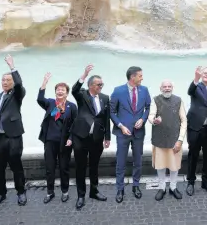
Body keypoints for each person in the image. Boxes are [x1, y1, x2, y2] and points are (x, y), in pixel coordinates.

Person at [0, 55, 27, 207]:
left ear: (12, 82)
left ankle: (21, 192)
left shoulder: (16, 95)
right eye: (3, 80)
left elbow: (20, 84)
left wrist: (12, 67)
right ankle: (0, 193)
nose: (5, 82)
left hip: (13, 136)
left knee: (16, 165)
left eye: (8, 80)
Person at [71, 64, 111, 208]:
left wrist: (107, 137)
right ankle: (81, 195)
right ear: (90, 85)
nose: (101, 86)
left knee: (94, 166)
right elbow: (74, 90)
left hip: (97, 138)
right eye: (98, 84)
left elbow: (107, 118)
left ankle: (94, 191)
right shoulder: (82, 94)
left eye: (102, 84)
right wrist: (84, 75)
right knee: (80, 167)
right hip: (80, 137)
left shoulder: (105, 98)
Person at [111, 66, 151, 203]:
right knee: (120, 162)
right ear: (132, 77)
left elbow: (148, 107)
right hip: (123, 133)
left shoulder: (144, 90)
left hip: (139, 132)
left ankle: (136, 186)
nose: (142, 78)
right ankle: (120, 189)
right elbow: (111, 112)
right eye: (140, 76)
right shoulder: (118, 91)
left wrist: (143, 119)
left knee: (138, 161)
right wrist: (121, 126)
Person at [37, 72, 76, 204]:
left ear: (67, 93)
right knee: (50, 168)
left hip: (64, 142)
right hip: (50, 141)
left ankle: (65, 191)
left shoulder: (72, 106)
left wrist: (71, 138)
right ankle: (50, 192)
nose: (60, 91)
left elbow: (75, 125)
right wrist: (44, 83)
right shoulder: (50, 103)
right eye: (58, 90)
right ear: (55, 92)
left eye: (62, 90)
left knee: (64, 168)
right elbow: (39, 99)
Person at [149, 80, 187, 201]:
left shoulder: (179, 100)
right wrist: (154, 120)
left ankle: (173, 187)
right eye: (164, 87)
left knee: (174, 166)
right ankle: (161, 187)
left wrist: (180, 140)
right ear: (160, 88)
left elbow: (184, 120)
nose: (167, 88)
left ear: (172, 88)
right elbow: (151, 115)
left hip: (174, 139)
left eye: (169, 86)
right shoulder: (155, 100)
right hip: (159, 139)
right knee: (160, 166)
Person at [185, 66, 207, 196]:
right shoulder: (196, 87)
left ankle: (206, 181)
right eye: (205, 73)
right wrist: (196, 78)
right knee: (193, 155)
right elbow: (190, 91)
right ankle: (191, 182)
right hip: (195, 127)